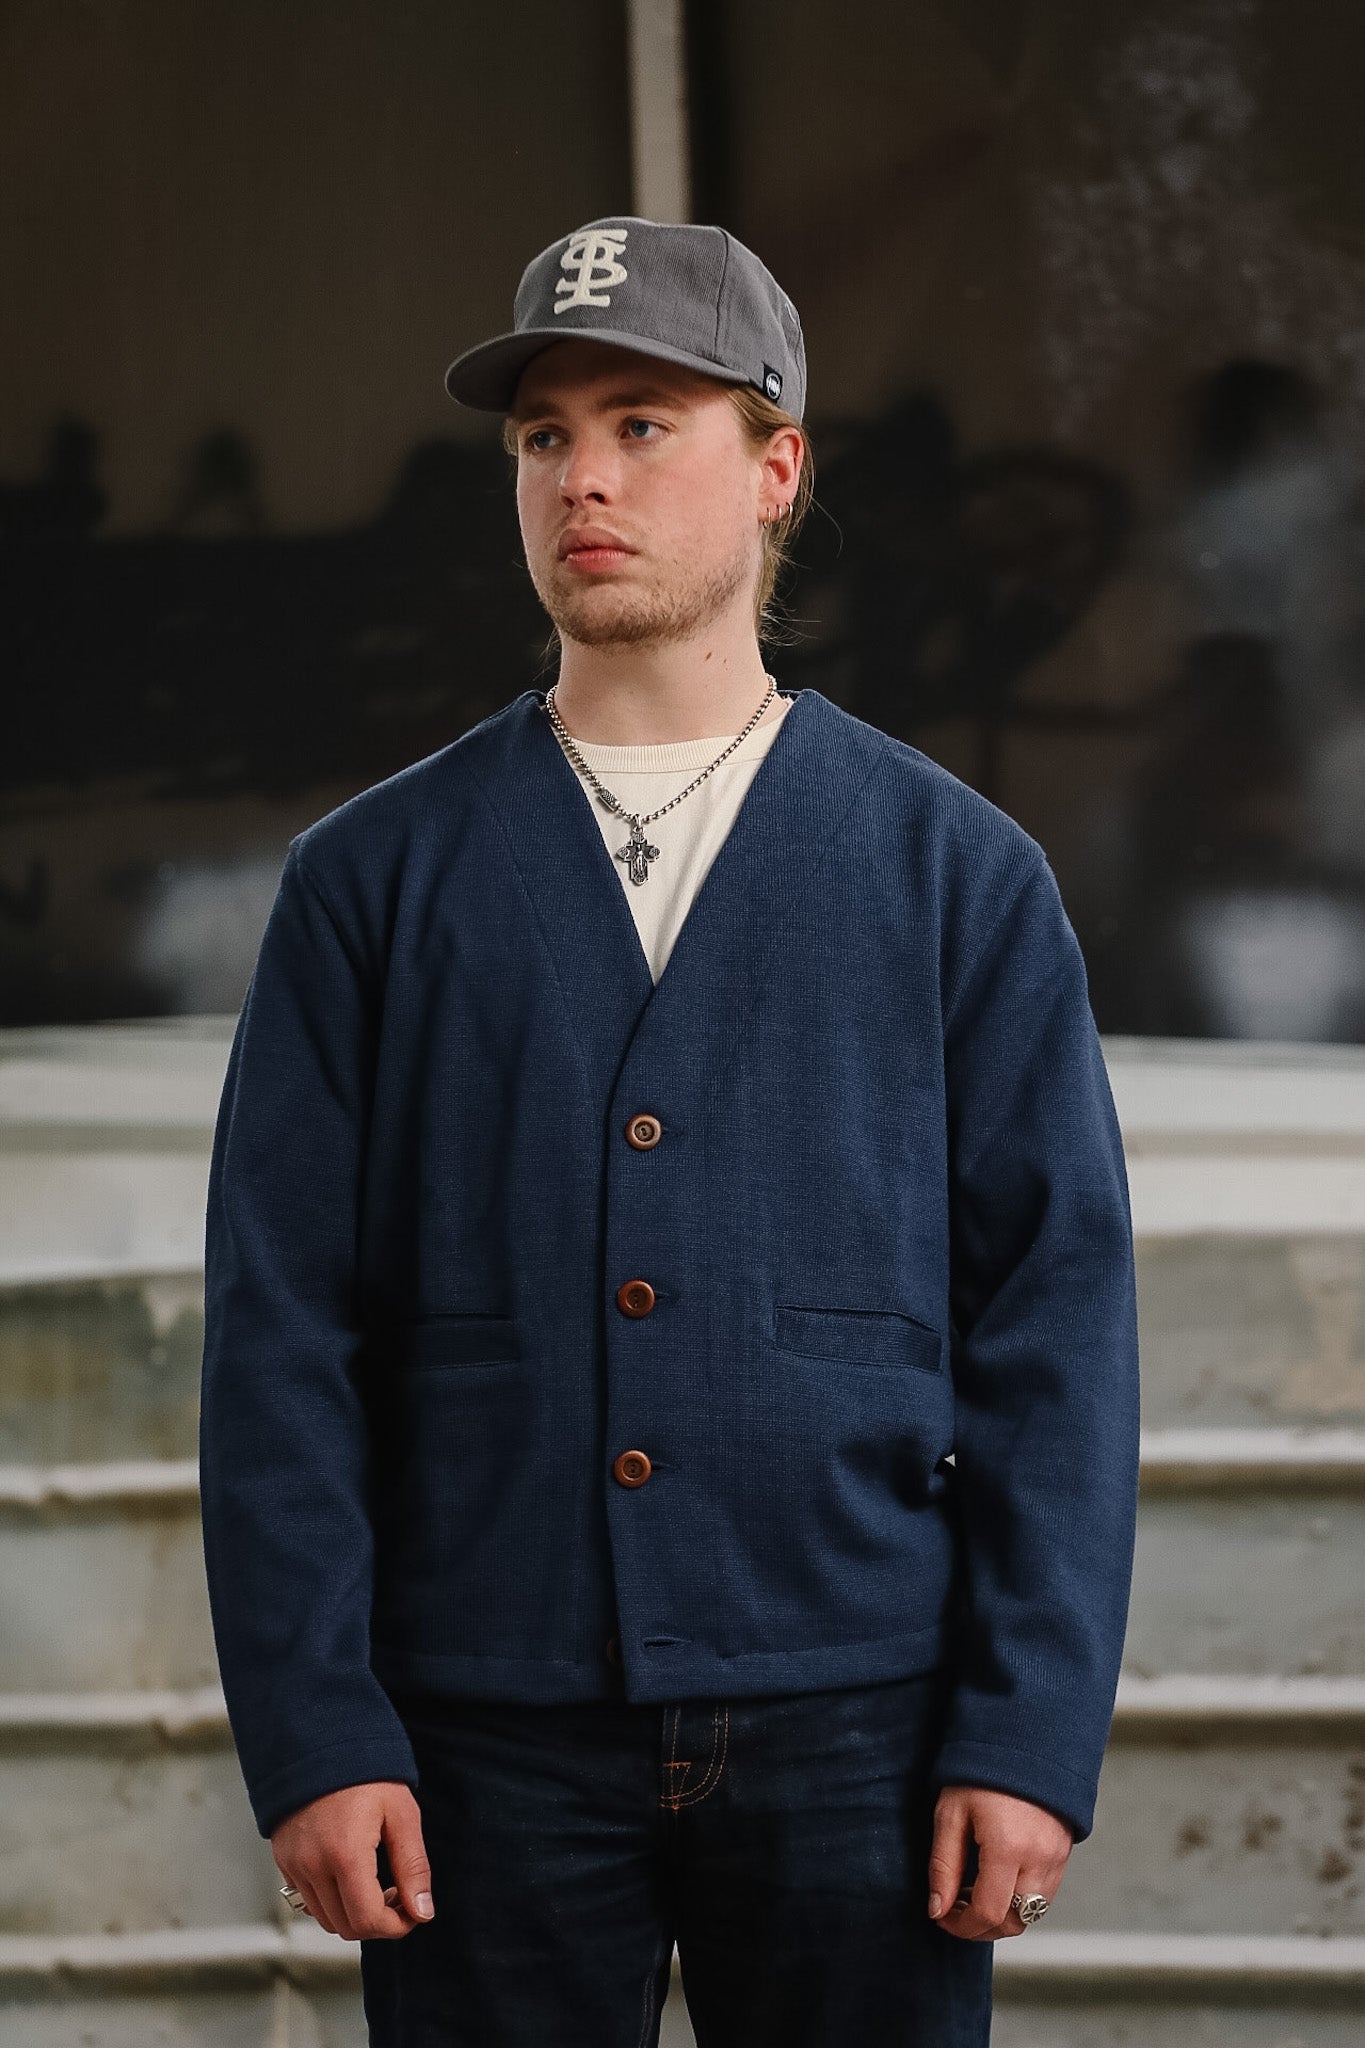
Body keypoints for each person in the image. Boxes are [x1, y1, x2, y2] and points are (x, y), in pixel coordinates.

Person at [199, 215, 1141, 2047]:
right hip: (474, 1727)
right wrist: (318, 1725)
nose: (584, 479)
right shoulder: (370, 881)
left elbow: (1056, 1323)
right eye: (545, 437)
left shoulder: (954, 875)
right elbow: (280, 1330)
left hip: (860, 1711)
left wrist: (1025, 1728)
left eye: (643, 423)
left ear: (776, 463)